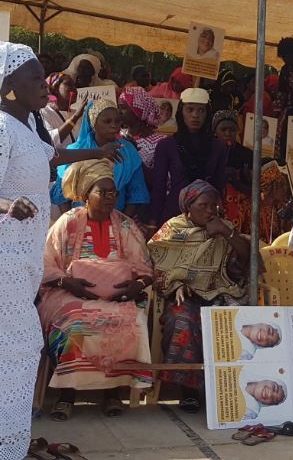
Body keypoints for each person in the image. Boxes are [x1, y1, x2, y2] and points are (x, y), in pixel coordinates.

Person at [39, 160, 153, 421]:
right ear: (86, 194)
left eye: (114, 193)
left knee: (130, 320)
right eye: (103, 192)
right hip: (68, 293)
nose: (111, 198)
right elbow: (45, 263)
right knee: (74, 322)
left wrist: (137, 285)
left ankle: (113, 392)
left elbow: (145, 269)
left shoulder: (125, 225)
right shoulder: (68, 222)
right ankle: (67, 394)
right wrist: (67, 282)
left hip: (117, 295)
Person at [0, 42, 57, 459]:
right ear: (8, 88)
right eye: (35, 78)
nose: (45, 85)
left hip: (23, 264)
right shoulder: (1, 128)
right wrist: (8, 205)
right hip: (4, 261)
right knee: (19, 349)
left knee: (17, 352)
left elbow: (56, 157)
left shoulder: (27, 129)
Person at [148, 180, 249, 413]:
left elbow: (250, 261)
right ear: (188, 208)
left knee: (236, 319)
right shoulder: (173, 230)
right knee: (183, 320)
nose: (210, 210)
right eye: (203, 205)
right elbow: (155, 263)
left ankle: (230, 387)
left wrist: (227, 232)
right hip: (185, 296)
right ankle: (189, 391)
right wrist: (175, 285)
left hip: (221, 292)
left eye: (214, 205)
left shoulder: (225, 228)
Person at [51, 99, 150, 220]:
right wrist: (72, 223)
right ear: (94, 124)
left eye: (117, 121)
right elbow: (63, 193)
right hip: (79, 220)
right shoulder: (75, 150)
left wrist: (121, 223)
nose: (114, 125)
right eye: (107, 121)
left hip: (117, 220)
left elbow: (136, 191)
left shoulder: (128, 151)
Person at [151, 87, 227, 227]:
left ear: (207, 114)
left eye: (201, 110)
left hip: (207, 216)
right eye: (190, 109)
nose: (195, 115)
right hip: (174, 216)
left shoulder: (219, 147)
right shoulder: (166, 145)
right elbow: (159, 188)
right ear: (181, 112)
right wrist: (153, 224)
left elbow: (218, 186)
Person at [213, 110, 253, 234]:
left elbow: (253, 188)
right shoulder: (208, 152)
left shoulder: (247, 154)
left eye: (232, 130)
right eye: (223, 129)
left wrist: (236, 181)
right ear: (215, 131)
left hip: (242, 209)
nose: (228, 133)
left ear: (237, 131)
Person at [118, 86, 167, 187]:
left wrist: (133, 152)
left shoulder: (160, 143)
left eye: (123, 108)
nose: (118, 112)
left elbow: (160, 180)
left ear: (138, 111)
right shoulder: (119, 136)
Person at [40, 72, 85, 147]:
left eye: (74, 86)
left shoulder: (80, 113)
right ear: (56, 89)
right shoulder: (44, 112)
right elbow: (51, 141)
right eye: (69, 84)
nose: (74, 89)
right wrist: (75, 117)